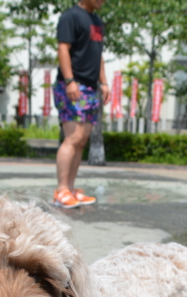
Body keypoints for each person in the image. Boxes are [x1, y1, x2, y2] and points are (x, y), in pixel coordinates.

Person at [52, 0, 109, 209]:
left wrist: (103, 82)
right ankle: (61, 190)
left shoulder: (97, 21)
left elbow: (98, 55)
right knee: (72, 137)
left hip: (90, 86)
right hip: (72, 85)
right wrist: (69, 81)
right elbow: (63, 49)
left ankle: (71, 189)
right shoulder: (71, 17)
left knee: (82, 139)